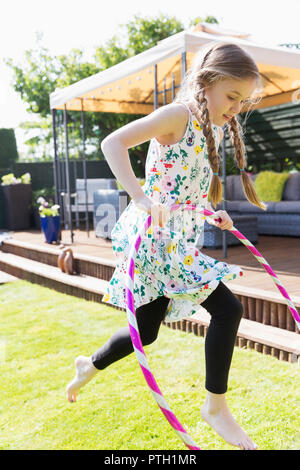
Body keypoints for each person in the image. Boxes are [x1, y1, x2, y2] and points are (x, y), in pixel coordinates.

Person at [66, 41, 266, 450]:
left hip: (179, 240)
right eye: (231, 97)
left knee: (148, 330)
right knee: (223, 310)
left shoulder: (210, 126)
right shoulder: (178, 115)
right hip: (154, 242)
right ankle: (215, 408)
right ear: (207, 82)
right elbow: (112, 144)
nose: (235, 108)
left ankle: (90, 364)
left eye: (241, 101)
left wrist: (215, 213)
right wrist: (141, 199)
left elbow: (185, 188)